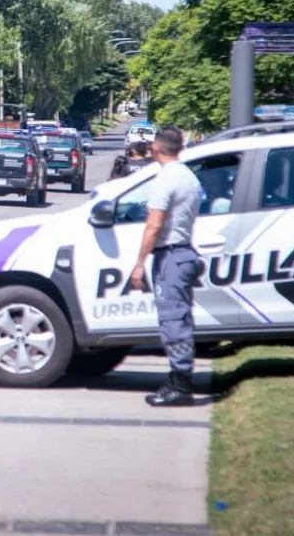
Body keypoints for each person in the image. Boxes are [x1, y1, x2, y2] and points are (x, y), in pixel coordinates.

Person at [129, 125, 202, 407]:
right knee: (179, 319)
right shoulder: (188, 177)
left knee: (173, 322)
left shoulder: (165, 180)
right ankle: (177, 379)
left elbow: (154, 225)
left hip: (171, 255)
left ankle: (181, 386)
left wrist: (139, 264)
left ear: (156, 148)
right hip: (183, 252)